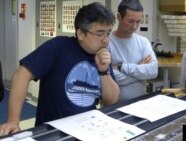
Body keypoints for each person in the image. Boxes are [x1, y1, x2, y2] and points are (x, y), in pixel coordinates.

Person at [0, 2, 119, 136]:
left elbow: (111, 100)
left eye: (108, 33)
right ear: (80, 33)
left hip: (86, 129)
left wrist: (103, 71)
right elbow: (21, 74)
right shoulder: (59, 47)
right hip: (52, 132)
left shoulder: (102, 55)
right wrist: (13, 121)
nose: (106, 40)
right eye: (100, 33)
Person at [109, 0, 158, 102]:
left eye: (138, 21)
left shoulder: (143, 42)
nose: (134, 26)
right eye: (130, 21)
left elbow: (153, 71)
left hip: (140, 104)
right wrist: (140, 72)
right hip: (114, 105)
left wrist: (122, 67)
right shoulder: (107, 42)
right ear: (119, 17)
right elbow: (109, 77)